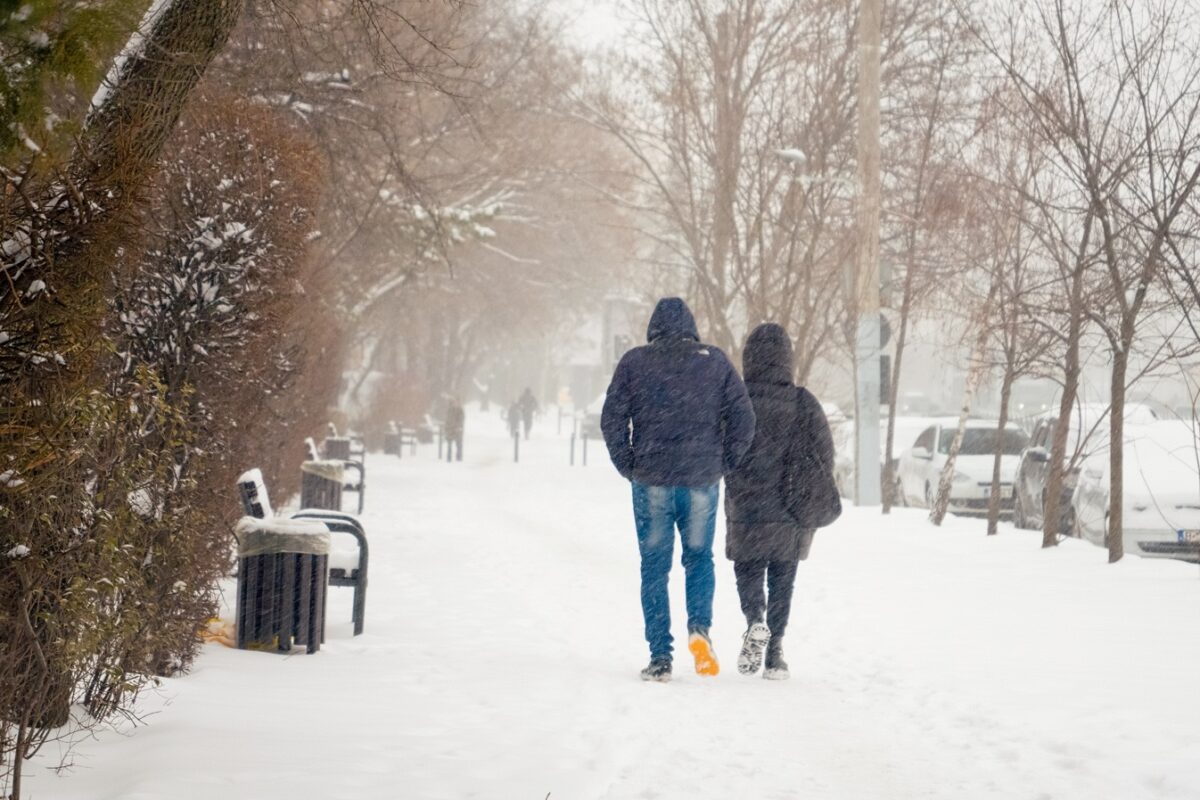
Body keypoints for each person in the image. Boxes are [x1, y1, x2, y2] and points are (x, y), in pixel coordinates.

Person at [601, 297, 755, 682]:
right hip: (701, 479)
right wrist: (724, 461)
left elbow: (612, 419)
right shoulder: (714, 362)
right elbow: (743, 417)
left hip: (651, 477)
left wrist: (629, 463)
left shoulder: (634, 363)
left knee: (654, 567)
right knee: (699, 559)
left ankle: (660, 658)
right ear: (691, 327)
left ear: (654, 327)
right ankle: (699, 629)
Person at [723, 323, 837, 681]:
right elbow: (825, 453)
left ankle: (755, 619)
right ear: (787, 359)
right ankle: (774, 654)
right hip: (791, 507)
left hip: (746, 505)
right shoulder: (803, 401)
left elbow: (722, 447)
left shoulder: (737, 399)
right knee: (784, 578)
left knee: (749, 568)